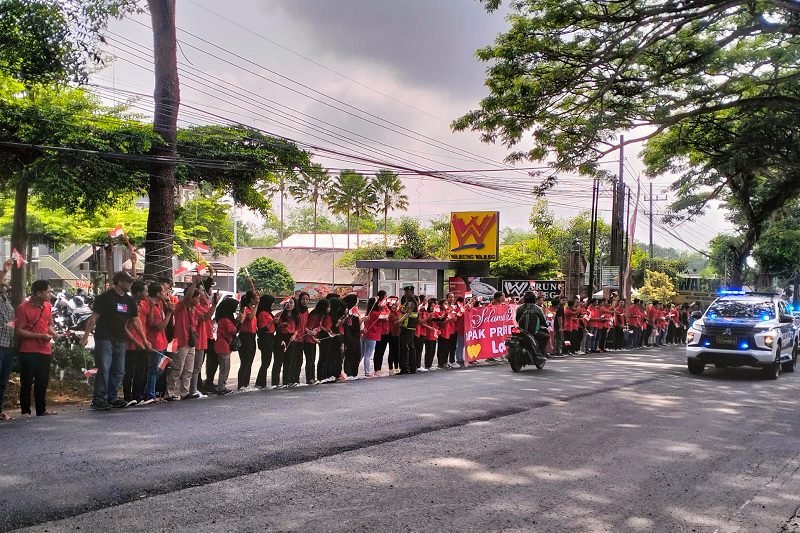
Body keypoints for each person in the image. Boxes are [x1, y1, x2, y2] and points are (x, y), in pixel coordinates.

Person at [81, 271, 150, 410]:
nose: (130, 284)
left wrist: (144, 340)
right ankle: (99, 399)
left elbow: (136, 321)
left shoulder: (129, 300)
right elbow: (94, 318)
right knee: (104, 368)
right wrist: (85, 336)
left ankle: (112, 397)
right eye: (128, 281)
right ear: (119, 282)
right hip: (104, 337)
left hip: (120, 339)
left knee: (119, 370)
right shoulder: (104, 298)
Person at [16, 279, 56, 417]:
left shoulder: (47, 306)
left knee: (42, 380)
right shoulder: (23, 308)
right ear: (39, 293)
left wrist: (53, 332)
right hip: (28, 350)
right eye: (48, 291)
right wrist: (39, 336)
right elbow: (19, 331)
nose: (50, 294)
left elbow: (48, 324)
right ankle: (25, 411)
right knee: (26, 381)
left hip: (45, 349)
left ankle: (41, 409)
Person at [167, 277, 201, 401]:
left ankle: (184, 392)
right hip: (181, 341)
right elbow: (187, 298)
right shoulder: (181, 306)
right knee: (177, 368)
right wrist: (195, 283)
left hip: (190, 342)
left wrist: (213, 303)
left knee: (188, 369)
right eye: (196, 298)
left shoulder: (193, 309)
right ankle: (171, 392)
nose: (198, 300)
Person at [141, 282, 173, 405]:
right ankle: (150, 394)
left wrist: (167, 303)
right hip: (154, 341)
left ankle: (148, 392)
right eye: (163, 291)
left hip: (162, 341)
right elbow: (159, 326)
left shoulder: (159, 304)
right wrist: (169, 313)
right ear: (158, 293)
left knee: (160, 369)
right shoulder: (151, 306)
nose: (166, 293)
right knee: (154, 369)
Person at [122, 280, 149, 406]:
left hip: (142, 342)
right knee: (130, 371)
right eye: (145, 291)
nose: (147, 293)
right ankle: (128, 396)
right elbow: (124, 326)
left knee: (141, 370)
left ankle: (137, 395)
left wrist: (144, 340)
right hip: (131, 344)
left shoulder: (143, 304)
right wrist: (135, 341)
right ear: (138, 292)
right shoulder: (128, 305)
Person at [189, 289, 218, 398]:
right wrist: (214, 305)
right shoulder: (197, 307)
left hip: (207, 337)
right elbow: (206, 316)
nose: (204, 293)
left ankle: (200, 386)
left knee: (201, 364)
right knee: (196, 365)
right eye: (200, 292)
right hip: (198, 339)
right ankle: (195, 387)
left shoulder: (204, 305)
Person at [213, 297, 239, 395]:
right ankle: (221, 387)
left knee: (225, 367)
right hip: (223, 345)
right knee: (225, 367)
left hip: (223, 344)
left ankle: (222, 385)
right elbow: (232, 330)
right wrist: (239, 321)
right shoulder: (225, 319)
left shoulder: (223, 317)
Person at [0, 260, 16, 421]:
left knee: (3, 380)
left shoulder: (5, 300)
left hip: (8, 344)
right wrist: (4, 271)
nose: (4, 283)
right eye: (2, 281)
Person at [273, 298, 299, 387]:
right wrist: (275, 323)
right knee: (278, 361)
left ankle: (286, 382)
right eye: (287, 303)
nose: (289, 305)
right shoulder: (279, 315)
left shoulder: (296, 316)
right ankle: (275, 383)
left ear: (294, 304)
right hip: (280, 337)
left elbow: (297, 328)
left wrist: (294, 336)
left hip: (291, 338)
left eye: (291, 303)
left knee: (288, 361)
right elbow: (275, 329)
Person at [304, 298, 330, 383]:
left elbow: (318, 327)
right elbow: (309, 330)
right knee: (310, 360)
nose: (329, 309)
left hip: (313, 340)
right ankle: (309, 378)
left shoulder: (320, 315)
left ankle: (312, 377)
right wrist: (314, 339)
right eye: (328, 307)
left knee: (312, 360)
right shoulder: (315, 316)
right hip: (309, 340)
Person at [237, 290, 259, 390]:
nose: (257, 298)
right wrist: (257, 305)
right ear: (251, 299)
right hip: (245, 336)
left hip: (252, 336)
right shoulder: (245, 308)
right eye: (255, 297)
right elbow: (250, 317)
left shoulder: (251, 308)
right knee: (245, 361)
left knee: (250, 361)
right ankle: (241, 384)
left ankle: (246, 383)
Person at [254, 294, 276, 389]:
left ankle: (262, 382)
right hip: (265, 337)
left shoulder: (267, 312)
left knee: (267, 361)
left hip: (270, 337)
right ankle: (260, 382)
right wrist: (272, 322)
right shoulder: (262, 313)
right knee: (265, 361)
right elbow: (263, 328)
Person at [397, 288, 419, 375]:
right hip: (408, 326)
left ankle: (405, 368)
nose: (405, 293)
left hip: (408, 327)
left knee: (405, 347)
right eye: (405, 292)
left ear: (412, 292)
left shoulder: (411, 302)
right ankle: (412, 367)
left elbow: (408, 313)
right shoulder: (408, 301)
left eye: (407, 292)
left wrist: (399, 321)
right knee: (410, 346)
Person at [341, 293, 362, 380]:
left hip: (356, 337)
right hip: (348, 337)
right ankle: (348, 373)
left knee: (357, 355)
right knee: (349, 356)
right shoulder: (345, 312)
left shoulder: (354, 312)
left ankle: (354, 373)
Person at [361, 296, 383, 378]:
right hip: (372, 335)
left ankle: (354, 369)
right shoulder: (377, 314)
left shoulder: (369, 312)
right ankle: (367, 371)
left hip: (366, 334)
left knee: (362, 354)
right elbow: (386, 315)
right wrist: (382, 307)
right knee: (368, 355)